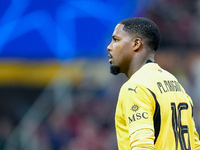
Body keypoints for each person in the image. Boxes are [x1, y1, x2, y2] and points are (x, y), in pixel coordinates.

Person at [107, 17, 200, 150]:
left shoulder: (136, 87)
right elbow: (194, 143)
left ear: (136, 44)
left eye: (116, 40)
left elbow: (142, 146)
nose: (109, 47)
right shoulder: (175, 84)